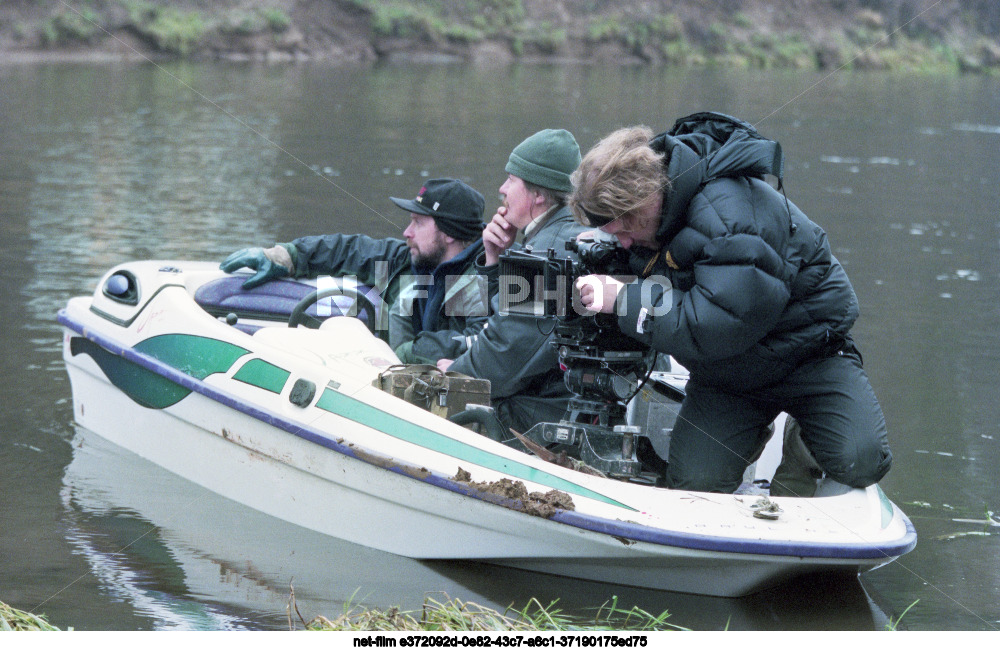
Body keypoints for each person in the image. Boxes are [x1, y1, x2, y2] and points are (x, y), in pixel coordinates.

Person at [569, 112, 892, 494]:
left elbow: (717, 325)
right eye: (612, 232)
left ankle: (803, 437)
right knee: (694, 485)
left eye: (626, 227)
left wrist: (623, 298)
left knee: (861, 461)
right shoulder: (647, 225)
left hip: (809, 354)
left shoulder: (732, 215)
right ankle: (750, 430)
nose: (622, 241)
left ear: (646, 198)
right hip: (728, 376)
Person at [219, 178, 489, 365]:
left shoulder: (483, 277)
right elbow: (350, 249)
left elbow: (478, 340)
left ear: (450, 233)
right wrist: (286, 255)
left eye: (418, 223)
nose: (407, 232)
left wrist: (407, 354)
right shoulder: (412, 258)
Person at [438, 129, 585, 438]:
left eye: (512, 180)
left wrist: (451, 375)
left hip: (538, 417)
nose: (502, 189)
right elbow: (494, 330)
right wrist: (493, 260)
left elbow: (501, 359)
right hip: (559, 402)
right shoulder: (563, 236)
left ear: (539, 195)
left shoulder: (544, 255)